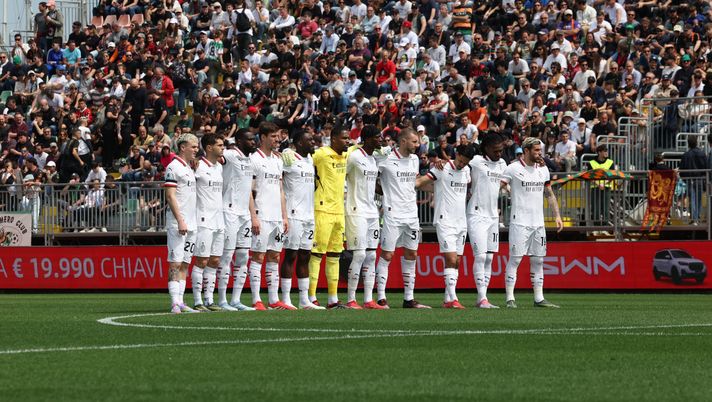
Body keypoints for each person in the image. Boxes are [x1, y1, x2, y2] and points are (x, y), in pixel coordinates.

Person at [501, 137, 563, 308]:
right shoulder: (512, 168)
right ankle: (510, 298)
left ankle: (539, 298)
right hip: (519, 221)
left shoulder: (543, 170)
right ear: (526, 151)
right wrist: (507, 190)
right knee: (515, 259)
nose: (539, 153)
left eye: (540, 150)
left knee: (538, 260)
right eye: (536, 150)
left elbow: (549, 193)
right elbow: (499, 186)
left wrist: (557, 215)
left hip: (538, 223)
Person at [416, 143, 477, 308]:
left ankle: (447, 299)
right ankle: (454, 299)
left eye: (465, 162)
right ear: (456, 154)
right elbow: (421, 182)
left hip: (461, 222)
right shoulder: (441, 168)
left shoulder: (467, 172)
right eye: (461, 161)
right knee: (450, 258)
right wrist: (408, 182)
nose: (462, 165)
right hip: (445, 220)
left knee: (456, 261)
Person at [376, 128, 430, 309]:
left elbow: (413, 183)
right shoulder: (385, 159)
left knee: (412, 254)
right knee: (388, 254)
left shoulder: (414, 160)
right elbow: (370, 175)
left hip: (412, 215)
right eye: (414, 142)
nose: (418, 145)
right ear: (403, 141)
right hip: (393, 214)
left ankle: (409, 298)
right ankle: (381, 297)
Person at [249, 122, 290, 310]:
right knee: (258, 256)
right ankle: (257, 299)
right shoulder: (254, 159)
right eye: (273, 136)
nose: (277, 139)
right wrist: (253, 216)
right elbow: (249, 191)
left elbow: (281, 190)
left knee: (274, 256)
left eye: (278, 136)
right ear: (263, 137)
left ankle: (274, 300)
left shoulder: (278, 160)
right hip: (261, 214)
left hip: (276, 217)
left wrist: (284, 216)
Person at [280, 130, 323, 309]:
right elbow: (277, 177)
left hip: (308, 215)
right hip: (294, 214)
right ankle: (286, 299)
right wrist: (283, 151)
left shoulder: (309, 161)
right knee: (291, 254)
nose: (313, 142)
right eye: (309, 140)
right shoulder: (289, 159)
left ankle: (304, 300)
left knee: (305, 255)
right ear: (298, 143)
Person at [344, 125, 385, 309]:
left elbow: (372, 184)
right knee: (359, 254)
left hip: (372, 211)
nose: (380, 140)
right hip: (356, 210)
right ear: (368, 139)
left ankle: (368, 299)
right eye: (377, 137)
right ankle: (351, 299)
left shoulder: (372, 159)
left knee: (371, 255)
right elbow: (339, 175)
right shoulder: (354, 157)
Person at [216, 129, 257, 311]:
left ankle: (236, 300)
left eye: (254, 139)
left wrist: (253, 214)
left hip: (244, 215)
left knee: (243, 256)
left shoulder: (250, 160)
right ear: (239, 141)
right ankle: (222, 300)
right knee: (227, 256)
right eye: (249, 139)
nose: (253, 142)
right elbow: (216, 155)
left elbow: (248, 190)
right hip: (229, 212)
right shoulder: (231, 155)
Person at [309, 129, 350, 309]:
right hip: (322, 210)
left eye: (348, 138)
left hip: (339, 212)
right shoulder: (322, 154)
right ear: (333, 139)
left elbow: (362, 148)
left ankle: (333, 299)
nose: (347, 141)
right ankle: (311, 297)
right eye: (344, 138)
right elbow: (303, 156)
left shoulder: (347, 155)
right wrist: (287, 152)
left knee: (335, 255)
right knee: (317, 254)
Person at [467, 133, 507, 308]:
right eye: (496, 151)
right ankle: (482, 298)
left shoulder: (502, 164)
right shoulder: (475, 161)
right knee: (481, 256)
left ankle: (483, 299)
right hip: (476, 214)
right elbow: (457, 164)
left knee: (490, 258)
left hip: (492, 216)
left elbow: (505, 181)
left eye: (501, 150)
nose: (499, 153)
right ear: (486, 148)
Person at [164, 133, 199, 314]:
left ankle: (182, 301)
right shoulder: (173, 167)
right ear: (183, 147)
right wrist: (180, 220)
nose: (196, 150)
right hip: (179, 223)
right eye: (193, 147)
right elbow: (170, 196)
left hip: (191, 223)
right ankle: (174, 302)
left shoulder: (188, 168)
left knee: (185, 263)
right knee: (175, 263)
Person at [191, 134, 226, 312]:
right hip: (203, 219)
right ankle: (197, 301)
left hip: (219, 219)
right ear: (209, 148)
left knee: (215, 260)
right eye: (220, 145)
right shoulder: (197, 166)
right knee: (201, 260)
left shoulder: (219, 167)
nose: (223, 148)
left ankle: (209, 299)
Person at [679, 136, 708, 225]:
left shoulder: (685, 155)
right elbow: (706, 167)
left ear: (688, 143)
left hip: (689, 180)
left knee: (692, 199)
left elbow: (681, 170)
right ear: (696, 142)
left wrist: (684, 179)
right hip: (699, 179)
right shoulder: (702, 153)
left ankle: (694, 218)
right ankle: (697, 217)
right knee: (698, 199)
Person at [589, 145, 616, 226]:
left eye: (606, 151)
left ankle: (606, 225)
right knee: (595, 207)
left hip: (606, 187)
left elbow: (612, 176)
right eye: (604, 151)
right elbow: (589, 176)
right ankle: (596, 225)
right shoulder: (591, 162)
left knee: (606, 207)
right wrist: (598, 184)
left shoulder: (610, 162)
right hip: (595, 187)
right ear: (599, 152)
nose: (606, 153)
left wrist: (604, 184)